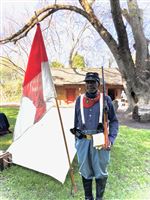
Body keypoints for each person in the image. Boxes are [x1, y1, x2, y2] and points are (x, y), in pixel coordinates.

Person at [71, 72, 118, 200]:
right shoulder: (79, 100)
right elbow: (76, 121)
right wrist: (77, 141)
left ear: (98, 83)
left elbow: (114, 121)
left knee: (100, 171)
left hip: (101, 140)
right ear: (85, 84)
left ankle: (99, 198)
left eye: (93, 82)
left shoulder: (106, 99)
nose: (90, 84)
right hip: (83, 141)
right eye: (88, 82)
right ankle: (88, 197)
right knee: (85, 171)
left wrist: (111, 139)